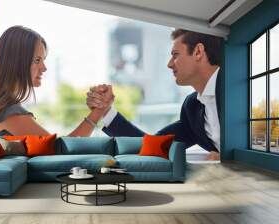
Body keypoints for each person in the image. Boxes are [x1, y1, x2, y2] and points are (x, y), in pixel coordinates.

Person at [87, 29, 223, 160]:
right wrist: (106, 112)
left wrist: (230, 158)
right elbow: (153, 146)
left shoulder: (240, 90)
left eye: (175, 54)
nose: (169, 64)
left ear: (198, 52)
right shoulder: (192, 106)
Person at [0, 26, 110, 137]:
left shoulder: (2, 109)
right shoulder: (10, 114)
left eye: (43, 60)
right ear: (16, 62)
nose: (44, 68)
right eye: (37, 60)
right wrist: (98, 112)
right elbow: (61, 150)